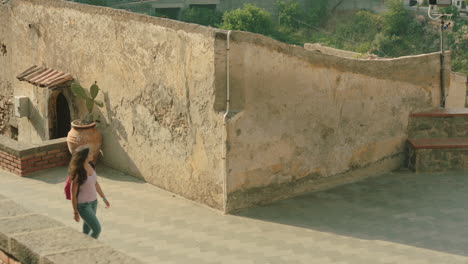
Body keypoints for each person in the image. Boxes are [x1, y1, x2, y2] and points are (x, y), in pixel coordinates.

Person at [69, 146, 110, 239]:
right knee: (97, 229)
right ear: (84, 157)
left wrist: (104, 198)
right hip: (83, 205)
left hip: (94, 202)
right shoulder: (78, 174)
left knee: (87, 228)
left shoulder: (91, 165)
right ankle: (89, 246)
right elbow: (73, 195)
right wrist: (75, 212)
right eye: (90, 153)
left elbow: (95, 183)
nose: (92, 154)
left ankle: (83, 244)